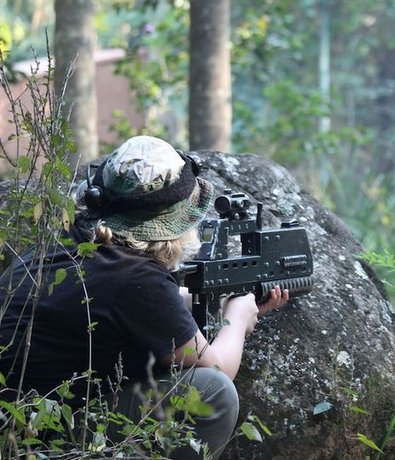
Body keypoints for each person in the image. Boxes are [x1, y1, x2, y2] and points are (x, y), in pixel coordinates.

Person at [0, 135, 289, 459]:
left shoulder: (65, 246)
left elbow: (131, 302)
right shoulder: (137, 277)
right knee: (214, 392)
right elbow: (217, 367)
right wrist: (236, 318)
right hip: (45, 434)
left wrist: (210, 298)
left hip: (16, 420)